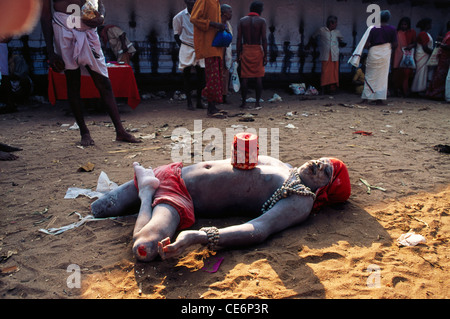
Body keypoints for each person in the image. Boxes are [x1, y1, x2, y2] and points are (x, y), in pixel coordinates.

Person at [90, 155, 351, 262]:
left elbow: (259, 229)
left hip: (179, 198)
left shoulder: (300, 200)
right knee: (98, 208)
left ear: (324, 190)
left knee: (144, 250)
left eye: (324, 171)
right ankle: (147, 186)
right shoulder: (284, 166)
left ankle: (146, 192)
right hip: (173, 172)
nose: (317, 164)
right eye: (321, 159)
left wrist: (199, 236)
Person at [40, 0, 140, 146]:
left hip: (88, 30)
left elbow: (100, 5)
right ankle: (84, 132)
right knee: (73, 82)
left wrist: (100, 18)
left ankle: (120, 131)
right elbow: (45, 16)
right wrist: (50, 51)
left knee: (104, 82)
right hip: (63, 29)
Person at [190, 0, 228, 118]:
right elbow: (194, 19)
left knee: (217, 77)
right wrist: (215, 25)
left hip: (216, 45)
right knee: (213, 78)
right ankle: (211, 109)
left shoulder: (215, 2)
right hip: (208, 44)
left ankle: (213, 106)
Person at [173, 0, 206, 111]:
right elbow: (176, 34)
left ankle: (199, 101)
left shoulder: (202, 15)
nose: (193, 5)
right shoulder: (179, 16)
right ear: (186, 2)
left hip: (200, 46)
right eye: (191, 2)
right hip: (186, 46)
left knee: (201, 76)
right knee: (186, 76)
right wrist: (182, 47)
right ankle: (189, 103)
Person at [361, 10, 397, 105]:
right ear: (388, 19)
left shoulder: (373, 29)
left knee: (370, 75)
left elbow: (366, 44)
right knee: (382, 77)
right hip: (385, 54)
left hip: (373, 53)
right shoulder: (392, 29)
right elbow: (395, 44)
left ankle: (366, 98)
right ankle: (379, 99)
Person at [236, 1, 267, 109]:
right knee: (258, 78)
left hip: (245, 49)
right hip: (257, 50)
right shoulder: (262, 21)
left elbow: (239, 38)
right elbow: (264, 39)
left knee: (244, 77)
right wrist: (266, 55)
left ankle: (244, 103)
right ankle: (257, 103)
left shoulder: (242, 21)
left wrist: (238, 53)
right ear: (260, 10)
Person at [312, 16, 346, 95]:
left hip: (334, 55)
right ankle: (323, 88)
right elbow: (313, 37)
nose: (336, 25)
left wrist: (341, 43)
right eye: (335, 23)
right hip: (325, 55)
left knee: (334, 72)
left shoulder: (337, 32)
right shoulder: (321, 30)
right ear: (331, 23)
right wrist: (312, 45)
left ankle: (332, 88)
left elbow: (341, 40)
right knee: (325, 72)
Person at [392, 17, 416, 98]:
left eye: (405, 25)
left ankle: (404, 91)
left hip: (407, 55)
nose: (403, 26)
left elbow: (415, 43)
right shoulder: (396, 32)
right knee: (396, 73)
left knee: (406, 74)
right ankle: (396, 90)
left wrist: (411, 45)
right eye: (402, 24)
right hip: (397, 54)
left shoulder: (411, 32)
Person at [426, 21, 450, 100]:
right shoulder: (447, 34)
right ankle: (435, 94)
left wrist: (442, 45)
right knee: (438, 77)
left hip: (446, 59)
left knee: (442, 77)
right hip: (442, 58)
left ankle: (438, 94)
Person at [411, 18, 434, 94]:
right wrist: (433, 52)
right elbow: (425, 47)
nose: (431, 25)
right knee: (420, 72)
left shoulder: (425, 33)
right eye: (429, 24)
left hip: (423, 54)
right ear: (426, 25)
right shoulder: (423, 34)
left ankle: (419, 88)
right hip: (422, 54)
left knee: (422, 72)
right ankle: (417, 89)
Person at [220, 4, 233, 104]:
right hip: (220, 55)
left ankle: (224, 96)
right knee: (219, 77)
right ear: (224, 13)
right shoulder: (219, 24)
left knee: (225, 77)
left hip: (226, 55)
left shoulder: (228, 24)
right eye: (230, 12)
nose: (231, 14)